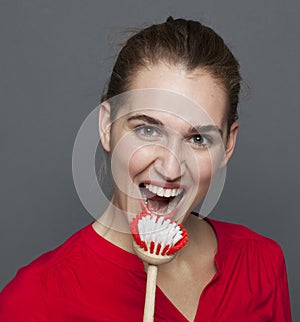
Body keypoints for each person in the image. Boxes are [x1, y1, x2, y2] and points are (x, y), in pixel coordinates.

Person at [0, 17, 292, 322]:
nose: (170, 168)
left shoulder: (261, 265)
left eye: (197, 138)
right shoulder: (33, 302)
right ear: (106, 126)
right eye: (148, 130)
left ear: (228, 145)